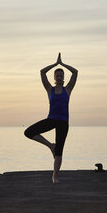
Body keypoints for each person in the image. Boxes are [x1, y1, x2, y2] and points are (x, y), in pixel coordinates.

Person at [24, 53, 78, 184]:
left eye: (61, 75)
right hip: (51, 119)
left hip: (63, 123)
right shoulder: (50, 89)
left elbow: (75, 72)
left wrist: (63, 64)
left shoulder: (68, 89)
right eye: (57, 75)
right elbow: (42, 72)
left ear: (63, 77)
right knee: (28, 132)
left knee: (59, 151)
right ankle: (50, 146)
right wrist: (55, 64)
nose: (59, 77)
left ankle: (55, 176)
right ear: (54, 77)